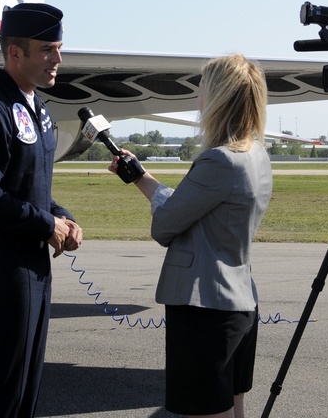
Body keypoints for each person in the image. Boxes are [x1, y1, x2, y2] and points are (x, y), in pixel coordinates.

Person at [108, 53, 272, 418]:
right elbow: (191, 209)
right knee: (233, 406)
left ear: (216, 98)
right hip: (239, 301)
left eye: (202, 88)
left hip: (204, 309)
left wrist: (148, 189)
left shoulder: (219, 160)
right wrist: (140, 178)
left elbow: (165, 225)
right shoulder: (256, 155)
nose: (198, 96)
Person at [0, 2, 83, 418]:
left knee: (26, 387)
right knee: (2, 389)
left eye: (58, 48)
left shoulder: (36, 108)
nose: (57, 59)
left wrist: (63, 218)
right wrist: (46, 224)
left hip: (32, 263)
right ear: (15, 53)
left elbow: (29, 188)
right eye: (47, 50)